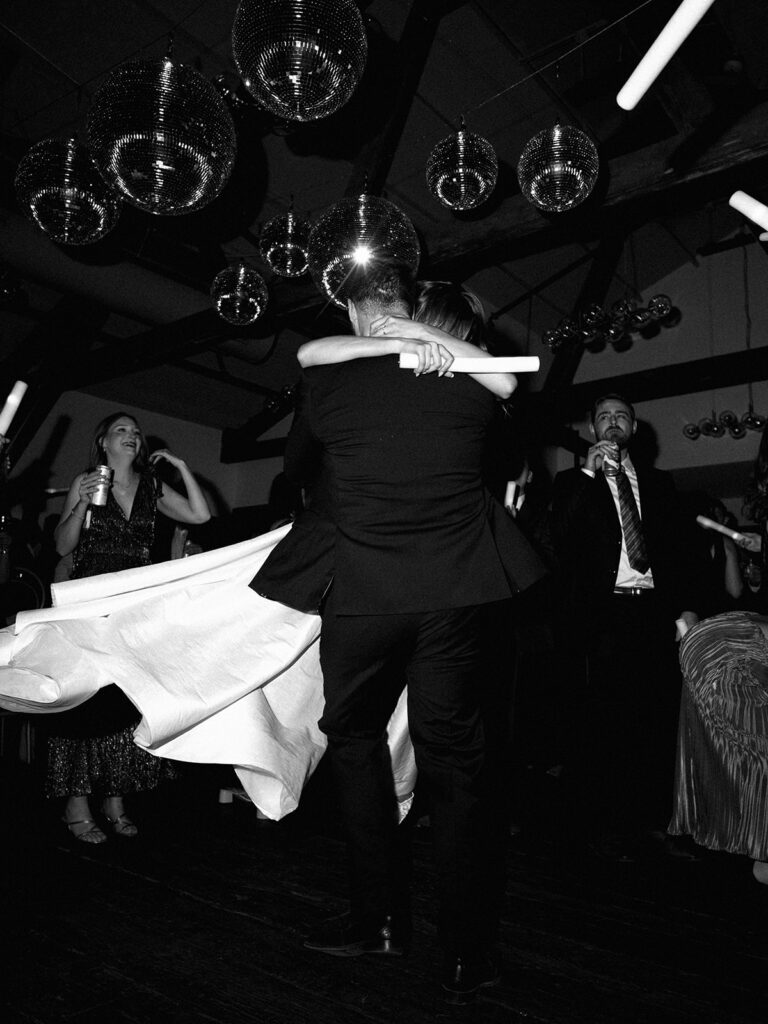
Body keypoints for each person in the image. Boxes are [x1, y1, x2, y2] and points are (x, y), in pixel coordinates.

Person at [285, 260, 543, 1004]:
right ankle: (466, 953)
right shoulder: (469, 377)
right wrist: (434, 347)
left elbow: (295, 464)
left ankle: (379, 920)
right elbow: (503, 431)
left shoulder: (332, 378)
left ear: (360, 315)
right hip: (456, 592)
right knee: (457, 763)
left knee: (356, 742)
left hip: (364, 593)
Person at [49, 412, 211, 843]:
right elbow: (63, 545)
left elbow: (200, 514)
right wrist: (81, 501)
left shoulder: (152, 486)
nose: (132, 436)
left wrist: (178, 467)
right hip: (90, 602)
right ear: (103, 441)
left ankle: (114, 801)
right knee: (85, 702)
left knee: (124, 701)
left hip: (133, 605)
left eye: (136, 432)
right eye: (122, 430)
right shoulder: (86, 481)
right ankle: (76, 804)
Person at [551, 394, 699, 861]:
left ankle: (652, 824)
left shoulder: (659, 483)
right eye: (603, 417)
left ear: (633, 428)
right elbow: (556, 543)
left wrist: (687, 609)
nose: (612, 423)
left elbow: (679, 552)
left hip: (651, 614)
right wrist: (588, 476)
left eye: (621, 417)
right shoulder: (572, 481)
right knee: (599, 723)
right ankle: (597, 827)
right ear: (593, 430)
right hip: (601, 617)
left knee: (653, 720)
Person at [670, 428, 768, 884]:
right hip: (715, 645)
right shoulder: (682, 552)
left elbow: (735, 590)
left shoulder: (726, 544)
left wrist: (735, 546)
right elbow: (713, 596)